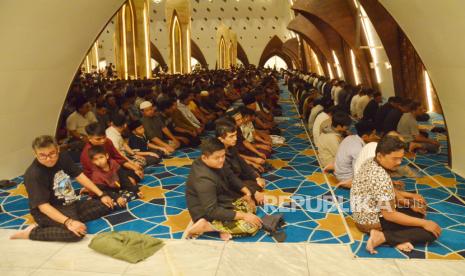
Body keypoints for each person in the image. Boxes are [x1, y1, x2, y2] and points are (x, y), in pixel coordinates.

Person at [10, 135, 113, 242]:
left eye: (52, 153)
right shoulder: (34, 174)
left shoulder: (63, 157)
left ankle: (59, 222)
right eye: (42, 155)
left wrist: (101, 194)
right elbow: (43, 206)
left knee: (107, 204)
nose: (48, 159)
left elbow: (79, 175)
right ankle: (32, 232)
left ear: (58, 149)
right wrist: (69, 222)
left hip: (70, 203)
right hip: (47, 211)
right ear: (35, 154)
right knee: (76, 234)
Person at [350, 135, 441, 254]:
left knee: (417, 211)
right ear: (380, 156)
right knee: (430, 232)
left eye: (401, 158)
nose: (399, 162)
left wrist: (407, 202)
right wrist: (425, 223)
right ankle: (382, 237)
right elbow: (389, 215)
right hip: (371, 222)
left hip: (362, 214)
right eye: (394, 159)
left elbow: (384, 193)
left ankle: (395, 238)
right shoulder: (380, 177)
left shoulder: (371, 161)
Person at [185, 138, 262, 241]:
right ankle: (208, 227)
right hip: (207, 213)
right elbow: (212, 210)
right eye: (217, 157)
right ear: (204, 157)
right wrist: (243, 216)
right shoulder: (203, 179)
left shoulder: (217, 162)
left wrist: (248, 194)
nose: (221, 160)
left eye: (223, 156)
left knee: (251, 207)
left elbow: (231, 176)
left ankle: (224, 229)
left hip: (221, 202)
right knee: (252, 226)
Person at [215, 119, 266, 205]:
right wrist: (253, 192)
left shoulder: (231, 147)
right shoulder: (218, 155)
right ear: (221, 139)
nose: (235, 139)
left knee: (256, 177)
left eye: (235, 135)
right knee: (253, 190)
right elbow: (231, 178)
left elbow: (242, 164)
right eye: (231, 136)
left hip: (236, 177)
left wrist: (256, 177)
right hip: (226, 186)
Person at [334, 121, 378, 188]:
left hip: (338, 172)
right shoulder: (358, 149)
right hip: (346, 178)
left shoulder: (350, 137)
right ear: (365, 136)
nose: (375, 137)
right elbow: (358, 172)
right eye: (373, 135)